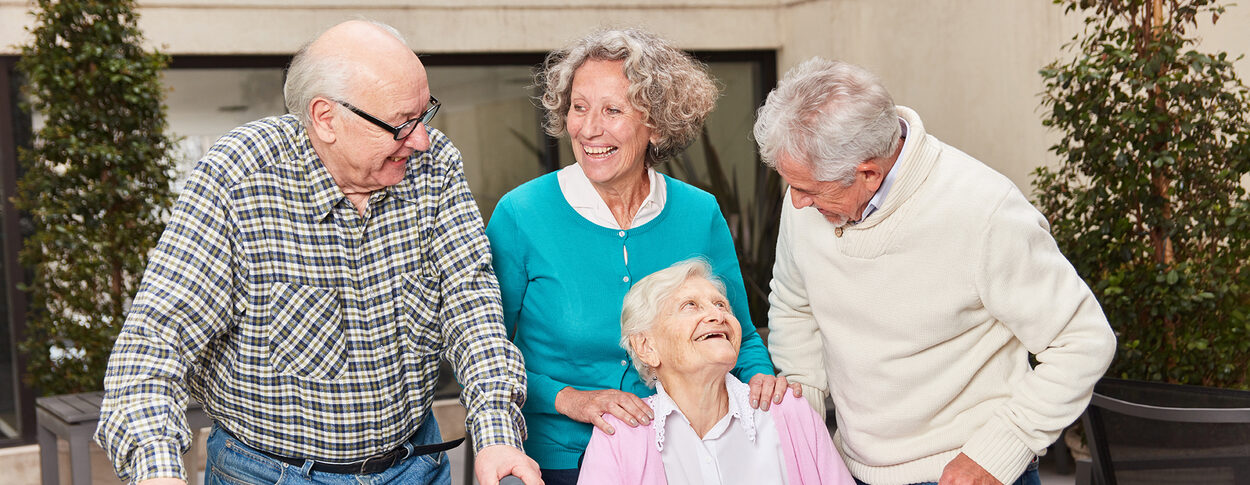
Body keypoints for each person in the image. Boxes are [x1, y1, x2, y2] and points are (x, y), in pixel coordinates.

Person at [94, 20, 541, 485]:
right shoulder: (239, 179)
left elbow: (471, 308)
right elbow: (152, 351)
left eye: (424, 113)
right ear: (326, 118)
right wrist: (157, 472)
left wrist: (497, 435)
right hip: (269, 474)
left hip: (415, 465)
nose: (421, 139)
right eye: (401, 124)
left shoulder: (436, 166)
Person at [753, 57, 1117, 485]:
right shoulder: (814, 195)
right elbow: (795, 306)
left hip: (962, 471)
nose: (795, 203)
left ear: (868, 173)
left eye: (807, 190)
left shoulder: (984, 210)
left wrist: (1001, 450)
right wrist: (807, 424)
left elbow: (1083, 341)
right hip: (847, 467)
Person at [486, 28, 795, 483]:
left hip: (680, 457)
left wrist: (761, 381)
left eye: (612, 110)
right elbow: (486, 354)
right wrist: (572, 399)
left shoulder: (698, 213)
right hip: (559, 461)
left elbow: (742, 338)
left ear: (655, 124)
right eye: (579, 107)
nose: (590, 129)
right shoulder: (521, 214)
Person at [579, 259, 855, 485]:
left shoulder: (788, 410)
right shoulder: (619, 436)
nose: (717, 315)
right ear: (646, 346)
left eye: (721, 305)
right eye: (690, 306)